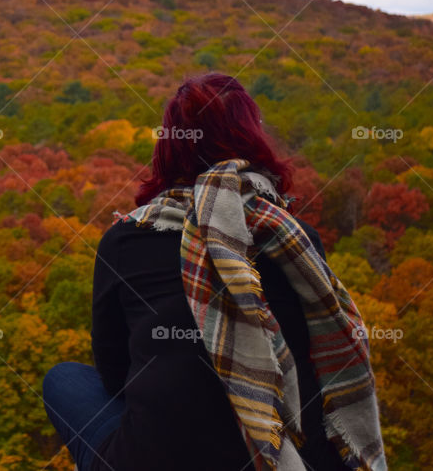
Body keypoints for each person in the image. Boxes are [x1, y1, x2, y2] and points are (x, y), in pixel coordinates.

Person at [42, 73, 386, 471]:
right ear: (252, 141)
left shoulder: (126, 239)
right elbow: (322, 363)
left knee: (64, 379)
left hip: (152, 458)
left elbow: (114, 372)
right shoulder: (296, 240)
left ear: (169, 148)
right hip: (289, 453)